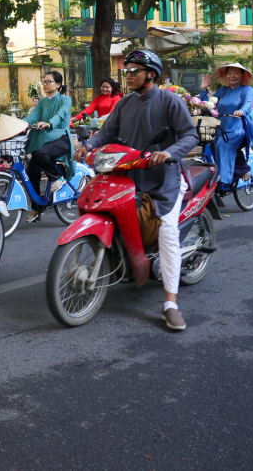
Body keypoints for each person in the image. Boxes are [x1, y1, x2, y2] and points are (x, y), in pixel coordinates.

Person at [74, 50, 198, 331]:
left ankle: (170, 303)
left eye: (134, 71)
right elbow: (107, 133)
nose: (128, 76)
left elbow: (190, 135)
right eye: (126, 71)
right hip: (129, 175)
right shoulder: (125, 103)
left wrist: (168, 153)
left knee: (166, 231)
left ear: (151, 74)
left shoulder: (170, 100)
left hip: (164, 179)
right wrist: (89, 146)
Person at [23, 71, 74, 222]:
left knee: (38, 153)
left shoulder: (65, 100)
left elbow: (61, 115)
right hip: (46, 141)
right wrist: (19, 124)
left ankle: (58, 177)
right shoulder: (42, 102)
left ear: (58, 85)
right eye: (43, 81)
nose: (44, 84)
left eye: (48, 81)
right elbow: (31, 117)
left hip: (61, 140)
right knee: (31, 171)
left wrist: (49, 123)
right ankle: (36, 208)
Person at [212, 62, 253, 190]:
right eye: (229, 73)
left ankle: (224, 181)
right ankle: (239, 170)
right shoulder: (223, 90)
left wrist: (242, 111)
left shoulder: (248, 90)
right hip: (221, 126)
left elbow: (248, 104)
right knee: (210, 145)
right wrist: (203, 90)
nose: (232, 76)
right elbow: (209, 103)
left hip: (239, 126)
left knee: (222, 144)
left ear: (243, 75)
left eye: (236, 73)